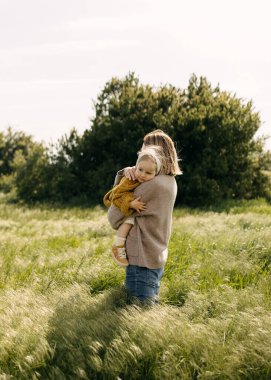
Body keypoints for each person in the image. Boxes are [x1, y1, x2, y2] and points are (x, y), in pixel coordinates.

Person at [107, 129, 182, 304]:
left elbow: (114, 217)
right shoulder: (168, 180)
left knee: (140, 314)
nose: (141, 152)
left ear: (155, 153)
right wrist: (126, 173)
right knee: (146, 311)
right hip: (153, 254)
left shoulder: (152, 184)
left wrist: (123, 180)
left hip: (142, 258)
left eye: (144, 148)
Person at [103, 146, 163, 267]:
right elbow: (116, 195)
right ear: (135, 167)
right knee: (130, 221)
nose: (142, 174)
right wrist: (130, 203)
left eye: (148, 173)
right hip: (117, 206)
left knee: (133, 220)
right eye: (140, 169)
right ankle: (118, 246)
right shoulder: (130, 179)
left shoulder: (152, 182)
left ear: (155, 174)